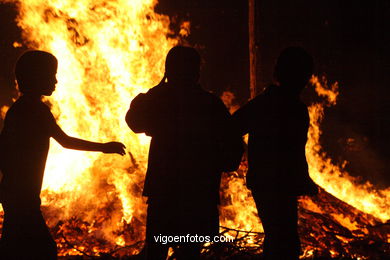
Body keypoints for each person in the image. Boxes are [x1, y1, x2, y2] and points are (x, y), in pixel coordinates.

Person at [0, 50, 126, 259]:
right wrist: (103, 147)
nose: (56, 80)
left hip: (16, 194)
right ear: (36, 77)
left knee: (13, 247)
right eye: (51, 75)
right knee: (44, 249)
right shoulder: (34, 111)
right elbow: (65, 141)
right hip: (22, 196)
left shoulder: (21, 109)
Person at [126, 46, 242, 260]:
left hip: (165, 194)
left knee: (158, 250)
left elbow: (134, 121)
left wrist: (154, 91)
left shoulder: (161, 101)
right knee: (189, 251)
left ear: (168, 71)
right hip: (198, 195)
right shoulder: (209, 103)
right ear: (196, 72)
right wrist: (224, 163)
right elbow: (232, 139)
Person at [232, 47, 318, 260]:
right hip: (274, 183)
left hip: (269, 182)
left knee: (280, 237)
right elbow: (232, 128)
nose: (305, 81)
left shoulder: (272, 104)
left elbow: (233, 127)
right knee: (283, 240)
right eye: (303, 75)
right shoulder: (283, 106)